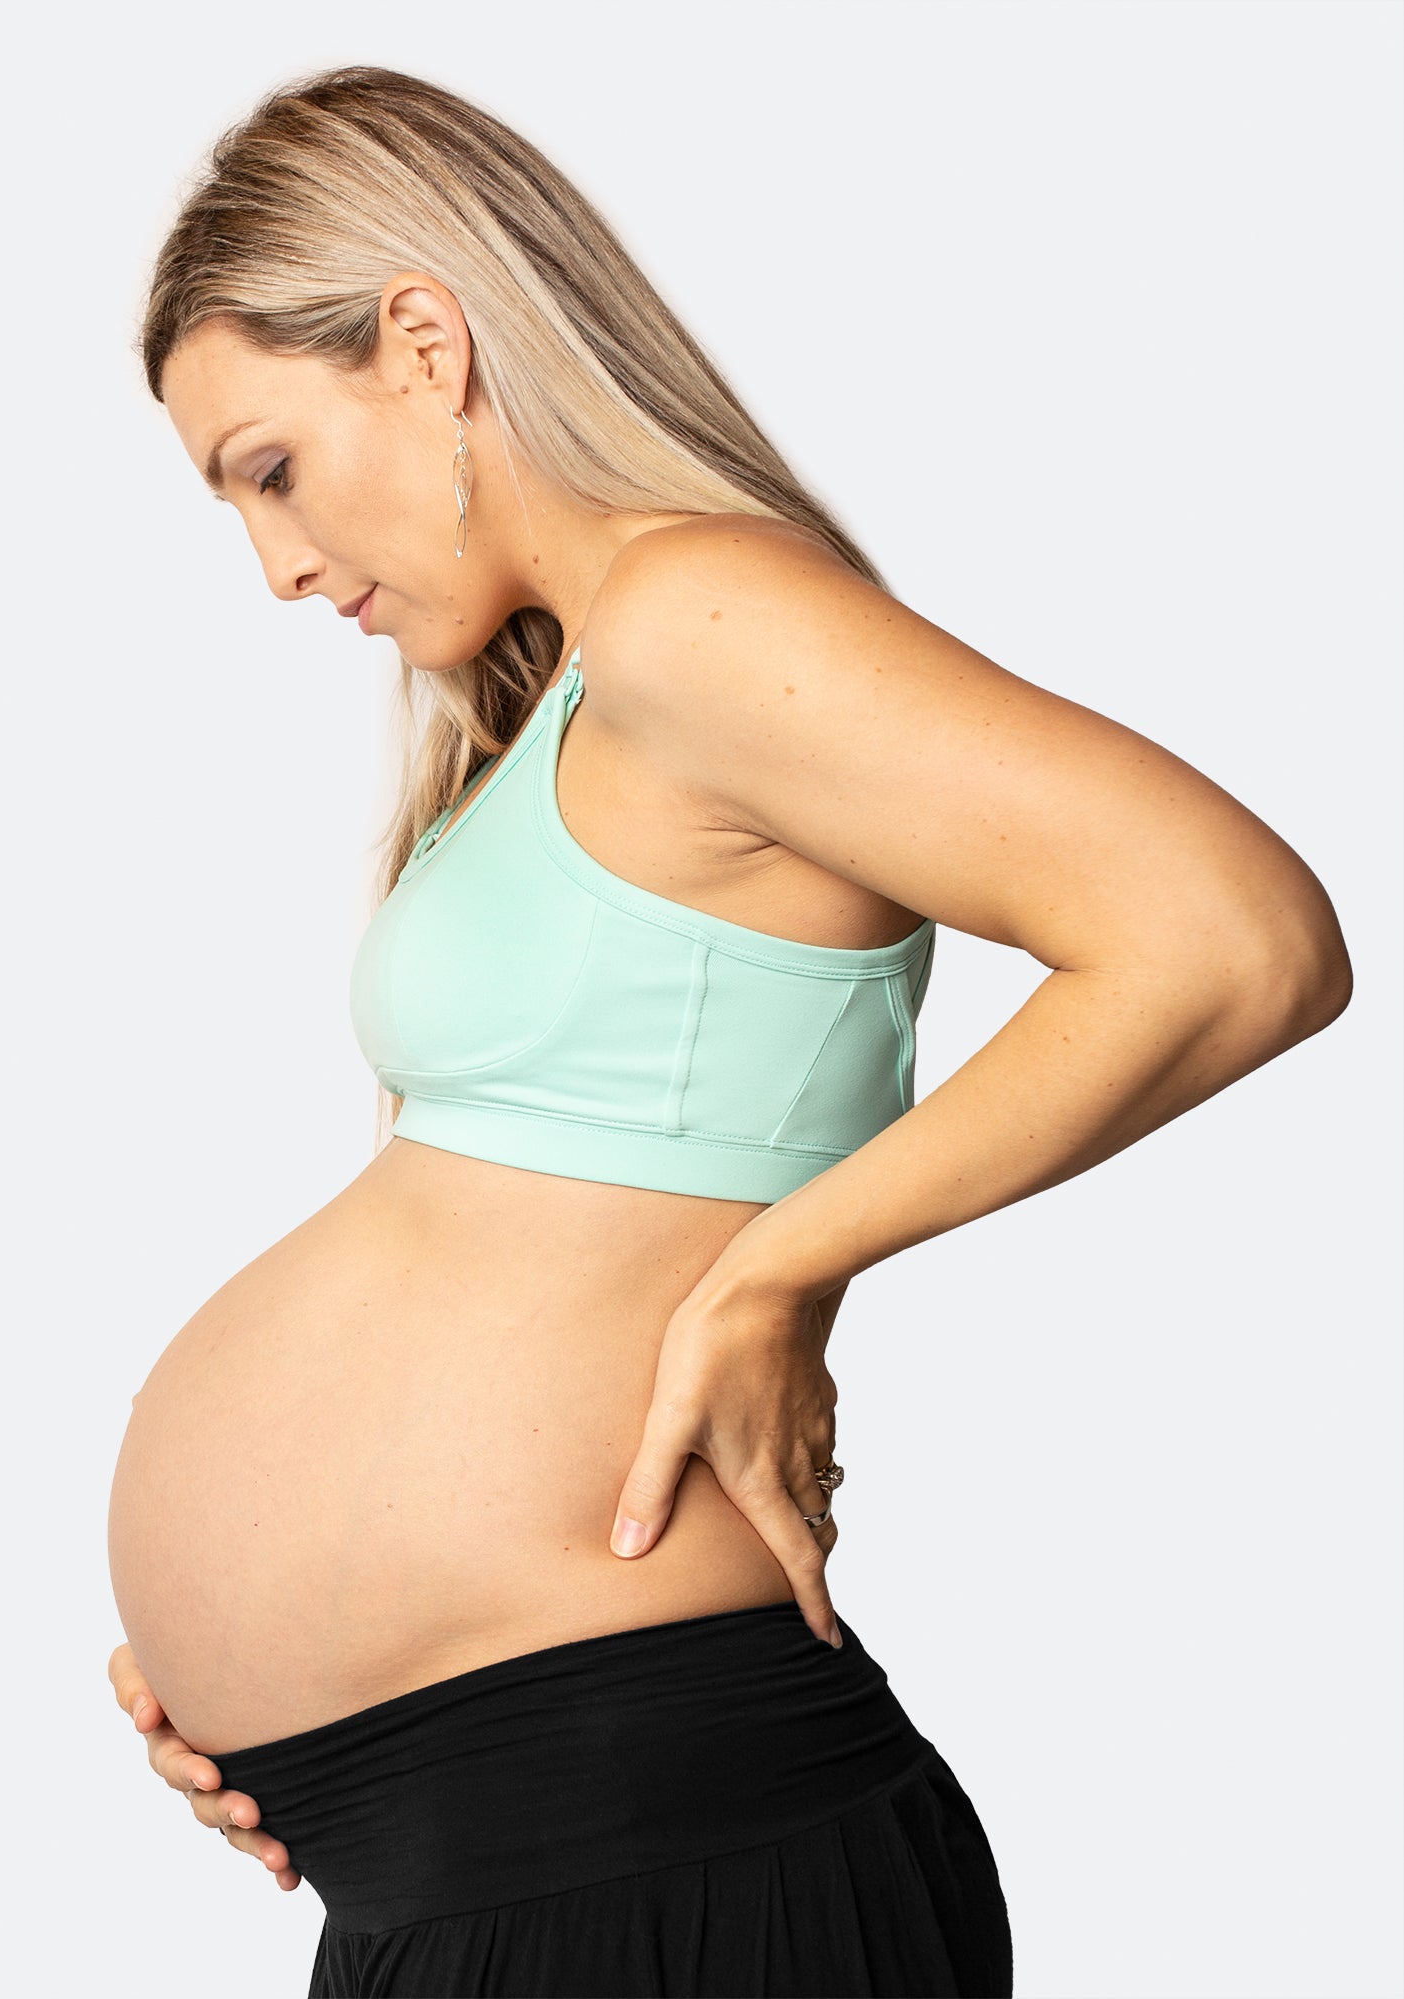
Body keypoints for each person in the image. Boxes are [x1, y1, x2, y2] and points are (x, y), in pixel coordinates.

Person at [104, 63, 1351, 1999]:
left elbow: (1238, 933)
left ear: (424, 345)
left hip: (660, 1838)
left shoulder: (691, 614)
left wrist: (785, 1263)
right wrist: (277, 1699)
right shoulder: (569, 702)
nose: (274, 564)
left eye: (268, 466)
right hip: (478, 1841)